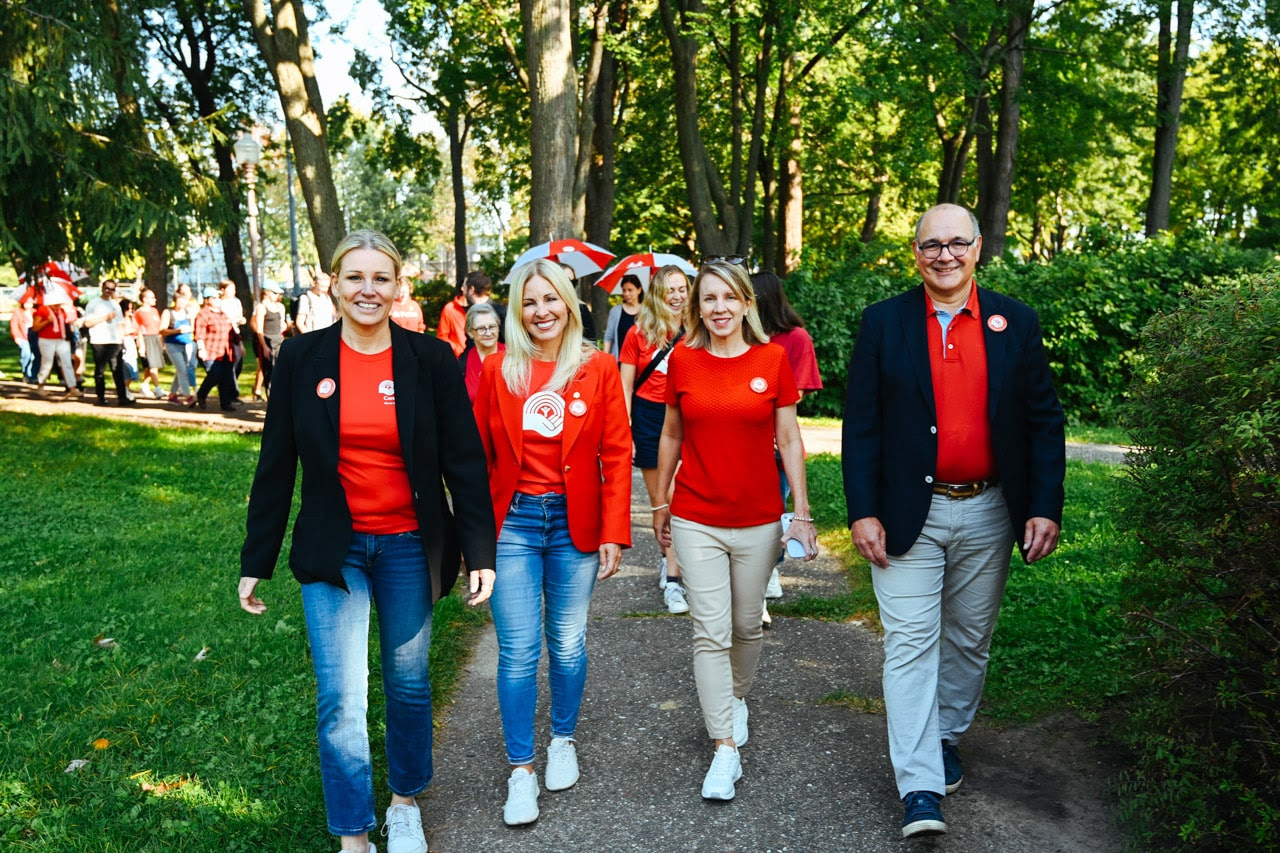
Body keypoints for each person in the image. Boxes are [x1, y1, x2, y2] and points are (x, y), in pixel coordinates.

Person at [239, 229, 497, 853]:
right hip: (336, 552)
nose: (368, 290)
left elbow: (463, 460)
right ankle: (353, 834)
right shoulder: (302, 359)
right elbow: (277, 462)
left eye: (381, 278)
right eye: (355, 277)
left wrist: (479, 553)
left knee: (408, 685)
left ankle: (404, 801)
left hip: (411, 544)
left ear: (398, 285)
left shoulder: (430, 359)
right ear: (333, 284)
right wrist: (257, 559)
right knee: (341, 697)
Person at [842, 203, 1066, 839]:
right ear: (915, 253)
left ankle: (942, 736)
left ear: (977, 250)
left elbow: (1043, 421)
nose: (944, 254)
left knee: (968, 639)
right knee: (911, 646)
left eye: (956, 243)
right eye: (931, 244)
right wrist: (863, 510)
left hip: (992, 509)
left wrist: (1044, 503)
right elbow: (861, 427)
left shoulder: (1014, 322)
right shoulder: (884, 323)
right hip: (908, 511)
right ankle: (919, 786)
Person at [471, 259, 631, 827]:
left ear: (569, 304)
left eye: (551, 300)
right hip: (512, 523)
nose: (541, 311)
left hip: (574, 522)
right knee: (517, 652)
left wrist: (615, 530)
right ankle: (521, 770)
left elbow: (616, 452)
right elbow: (478, 458)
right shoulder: (498, 370)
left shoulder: (598, 367)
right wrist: (475, 540)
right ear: (518, 310)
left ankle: (563, 737)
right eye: (530, 302)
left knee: (566, 642)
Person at [652, 259, 818, 802]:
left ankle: (736, 698)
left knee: (748, 627)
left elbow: (790, 441)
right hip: (696, 515)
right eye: (708, 299)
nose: (718, 308)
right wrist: (661, 503)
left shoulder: (772, 359)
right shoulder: (685, 361)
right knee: (710, 630)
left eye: (729, 298)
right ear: (696, 307)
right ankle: (725, 747)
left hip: (758, 519)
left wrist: (802, 514)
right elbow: (671, 435)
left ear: (747, 303)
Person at [750, 271, 823, 616]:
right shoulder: (741, 335)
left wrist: (768, 401)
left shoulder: (796, 339)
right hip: (740, 443)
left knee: (775, 513)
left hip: (778, 445)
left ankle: (767, 572)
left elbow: (803, 390)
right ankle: (756, 587)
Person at [618, 265, 690, 613]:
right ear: (658, 294)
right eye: (670, 290)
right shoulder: (638, 334)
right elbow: (625, 387)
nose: (677, 296)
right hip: (649, 416)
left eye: (682, 289)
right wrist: (624, 430)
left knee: (680, 494)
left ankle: (675, 577)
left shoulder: (699, 329)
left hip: (687, 414)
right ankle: (669, 559)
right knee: (660, 498)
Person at [80, 279, 134, 407]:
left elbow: (120, 323)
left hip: (114, 341)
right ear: (102, 288)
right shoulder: (93, 304)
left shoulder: (115, 305)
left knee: (117, 370)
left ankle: (122, 397)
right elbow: (87, 323)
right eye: (107, 288)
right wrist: (105, 318)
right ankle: (101, 397)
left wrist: (122, 340)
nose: (109, 291)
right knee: (100, 370)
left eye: (112, 289)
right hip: (99, 340)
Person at [192, 287, 238, 412]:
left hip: (226, 351)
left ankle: (225, 403)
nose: (218, 300)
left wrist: (240, 344)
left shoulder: (223, 314)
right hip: (211, 351)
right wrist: (201, 349)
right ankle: (201, 394)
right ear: (207, 300)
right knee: (215, 375)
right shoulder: (203, 314)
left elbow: (231, 332)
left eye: (218, 297)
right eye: (214, 298)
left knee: (227, 378)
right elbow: (199, 333)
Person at [250, 281, 291, 399]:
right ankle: (270, 401)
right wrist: (264, 346)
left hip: (279, 342)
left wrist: (286, 326)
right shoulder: (261, 307)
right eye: (274, 293)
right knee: (269, 373)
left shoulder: (279, 307)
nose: (277, 295)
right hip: (268, 342)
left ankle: (280, 400)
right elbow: (259, 329)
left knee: (281, 372)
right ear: (267, 292)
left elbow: (282, 325)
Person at [458, 302, 505, 402]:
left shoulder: (513, 356)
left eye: (492, 327)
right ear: (470, 332)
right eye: (481, 329)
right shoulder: (462, 363)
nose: (488, 333)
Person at [31, 299, 77, 396]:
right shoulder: (42, 310)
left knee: (67, 363)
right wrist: (47, 321)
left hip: (61, 339)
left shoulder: (62, 311)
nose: (57, 305)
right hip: (46, 340)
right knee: (47, 363)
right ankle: (41, 385)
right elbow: (35, 327)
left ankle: (72, 387)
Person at [160, 287, 197, 405]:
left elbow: (192, 327)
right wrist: (177, 331)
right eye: (179, 301)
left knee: (180, 370)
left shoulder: (187, 313)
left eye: (184, 301)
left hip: (186, 344)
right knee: (183, 370)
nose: (181, 304)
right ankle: (188, 396)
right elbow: (162, 330)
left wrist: (189, 327)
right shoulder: (168, 313)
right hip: (172, 344)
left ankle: (172, 395)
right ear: (174, 301)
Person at [602, 274, 643, 360]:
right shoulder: (615, 311)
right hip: (619, 361)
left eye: (630, 290)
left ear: (639, 290)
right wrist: (605, 360)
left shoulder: (646, 311)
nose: (626, 294)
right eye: (624, 290)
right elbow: (609, 337)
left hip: (640, 361)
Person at [135, 288, 165, 399]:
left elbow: (158, 326)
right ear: (144, 299)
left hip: (156, 338)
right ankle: (157, 388)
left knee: (150, 366)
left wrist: (161, 340)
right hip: (147, 339)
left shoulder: (154, 311)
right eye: (152, 297)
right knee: (153, 366)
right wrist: (141, 345)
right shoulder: (139, 313)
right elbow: (138, 329)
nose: (154, 299)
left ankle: (144, 385)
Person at [462, 270, 506, 340]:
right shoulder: (471, 312)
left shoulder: (500, 312)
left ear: (471, 289)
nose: (462, 290)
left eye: (464, 287)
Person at [295, 269, 337, 333]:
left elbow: (333, 318)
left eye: (327, 287)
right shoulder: (305, 298)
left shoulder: (327, 297)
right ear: (314, 283)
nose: (325, 290)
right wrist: (310, 339)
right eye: (322, 287)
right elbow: (300, 323)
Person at [435, 279, 467, 354]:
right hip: (458, 358)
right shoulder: (450, 309)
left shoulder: (479, 309)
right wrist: (457, 349)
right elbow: (442, 336)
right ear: (463, 288)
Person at [10, 297, 34, 383]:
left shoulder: (34, 312)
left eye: (30, 303)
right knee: (26, 354)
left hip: (32, 336)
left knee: (32, 356)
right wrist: (16, 336)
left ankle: (31, 374)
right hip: (22, 336)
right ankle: (26, 374)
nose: (28, 305)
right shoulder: (18, 312)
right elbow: (14, 324)